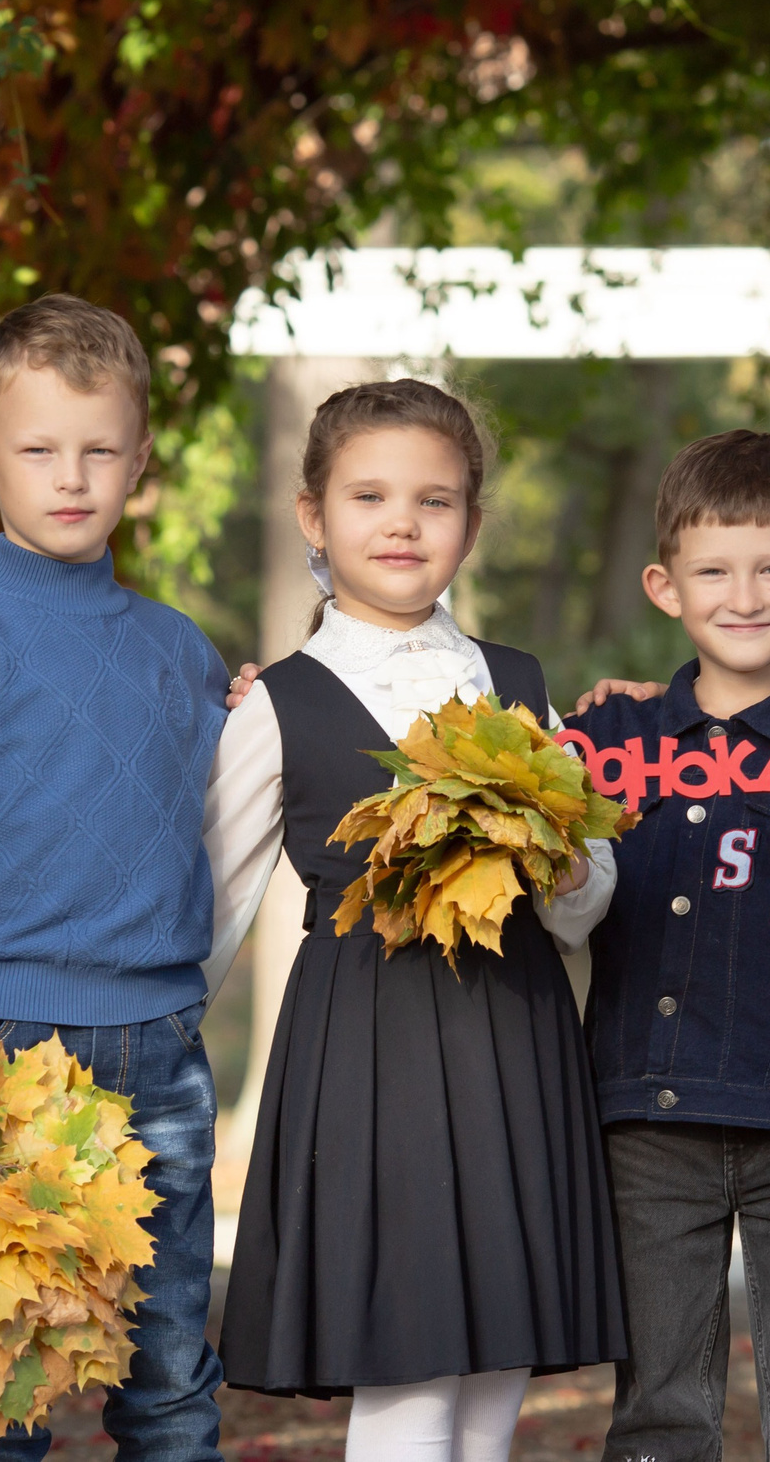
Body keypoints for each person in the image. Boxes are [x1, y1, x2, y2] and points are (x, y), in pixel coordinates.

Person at [201, 380, 625, 1462]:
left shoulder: (522, 686)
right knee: (407, 1361)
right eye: (370, 496)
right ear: (314, 518)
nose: (402, 523)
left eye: (434, 502)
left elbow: (584, 911)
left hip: (514, 1034)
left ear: (471, 528)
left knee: (494, 1368)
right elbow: (214, 904)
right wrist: (143, 1059)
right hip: (367, 1054)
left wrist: (568, 860)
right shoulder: (276, 702)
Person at [0, 294, 229, 1462]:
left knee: (170, 1380)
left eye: (98, 450)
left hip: (162, 1055)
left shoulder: (185, 651)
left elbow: (225, 823)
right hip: (3, 1053)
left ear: (137, 459)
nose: (70, 477)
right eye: (37, 449)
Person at [563, 430, 770, 1462]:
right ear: (666, 586)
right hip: (647, 1123)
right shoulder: (612, 746)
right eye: (714, 570)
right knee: (660, 1411)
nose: (744, 595)